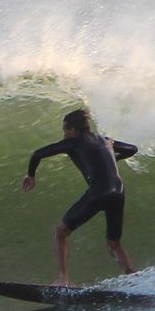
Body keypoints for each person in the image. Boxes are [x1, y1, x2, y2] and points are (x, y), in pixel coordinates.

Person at [21, 108, 139, 286]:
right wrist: (112, 159)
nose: (64, 135)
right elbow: (132, 149)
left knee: (60, 232)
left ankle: (62, 279)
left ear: (73, 130)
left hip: (99, 190)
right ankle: (132, 276)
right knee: (113, 244)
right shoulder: (106, 140)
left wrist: (30, 175)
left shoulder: (73, 142)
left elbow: (37, 154)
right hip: (118, 191)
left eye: (65, 130)